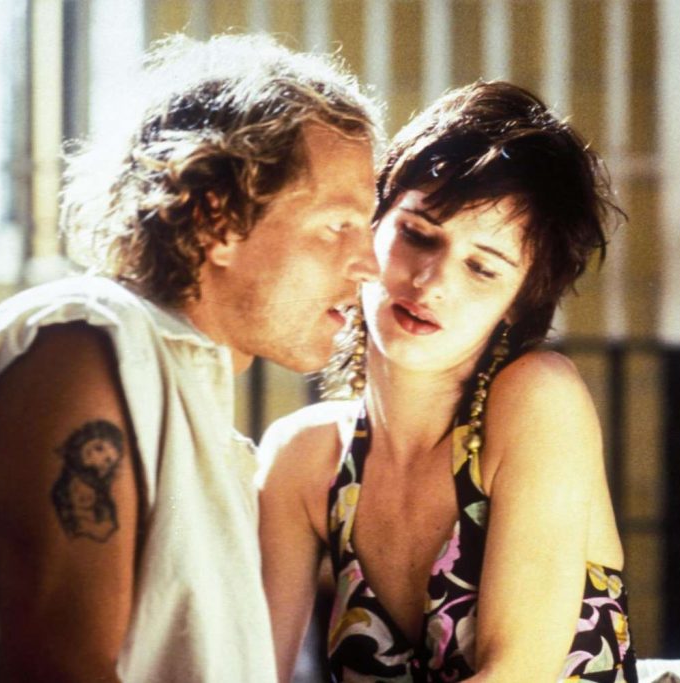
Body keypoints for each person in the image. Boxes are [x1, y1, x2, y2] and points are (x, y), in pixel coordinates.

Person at [0, 33, 380, 682]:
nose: (370, 264)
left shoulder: (191, 400)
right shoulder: (82, 346)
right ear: (217, 216)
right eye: (337, 226)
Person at [259, 81, 637, 682]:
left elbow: (517, 675)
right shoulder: (304, 460)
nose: (432, 282)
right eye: (417, 234)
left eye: (482, 268)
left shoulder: (538, 400)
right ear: (371, 224)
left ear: (519, 304)